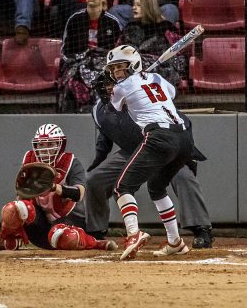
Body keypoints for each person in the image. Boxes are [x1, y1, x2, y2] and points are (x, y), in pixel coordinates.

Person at [85, 72, 213, 249]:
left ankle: (201, 229)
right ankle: (95, 232)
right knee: (94, 179)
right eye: (105, 85)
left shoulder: (137, 94)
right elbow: (105, 136)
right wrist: (98, 159)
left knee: (184, 177)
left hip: (160, 146)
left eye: (111, 84)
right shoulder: (98, 111)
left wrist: (185, 152)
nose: (108, 88)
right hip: (130, 151)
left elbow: (180, 122)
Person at [104, 44, 193, 260]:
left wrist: (116, 90)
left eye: (121, 68)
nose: (117, 73)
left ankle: (133, 234)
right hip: (185, 139)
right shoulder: (156, 78)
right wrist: (146, 78)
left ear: (133, 65)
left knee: (122, 186)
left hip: (160, 137)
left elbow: (114, 108)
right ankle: (175, 242)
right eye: (114, 69)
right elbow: (172, 93)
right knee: (156, 187)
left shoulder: (121, 88)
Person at [0, 123, 118, 252]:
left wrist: (54, 187)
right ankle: (10, 239)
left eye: (51, 144)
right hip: (39, 228)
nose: (45, 149)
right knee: (13, 208)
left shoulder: (71, 162)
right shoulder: (30, 159)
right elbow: (21, 195)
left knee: (64, 236)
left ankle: (96, 242)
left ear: (60, 145)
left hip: (67, 220)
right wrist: (14, 221)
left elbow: (78, 194)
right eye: (41, 144)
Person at [58, 0, 121, 113]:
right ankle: (73, 118)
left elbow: (118, 51)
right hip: (78, 64)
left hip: (104, 66)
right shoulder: (74, 20)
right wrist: (79, 61)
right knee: (72, 81)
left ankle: (105, 116)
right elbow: (65, 51)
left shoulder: (113, 22)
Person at [116, 0, 186, 87]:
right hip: (133, 74)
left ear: (149, 7)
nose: (134, 8)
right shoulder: (130, 27)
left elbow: (177, 55)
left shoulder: (165, 28)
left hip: (159, 74)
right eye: (134, 5)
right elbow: (119, 50)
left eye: (138, 5)